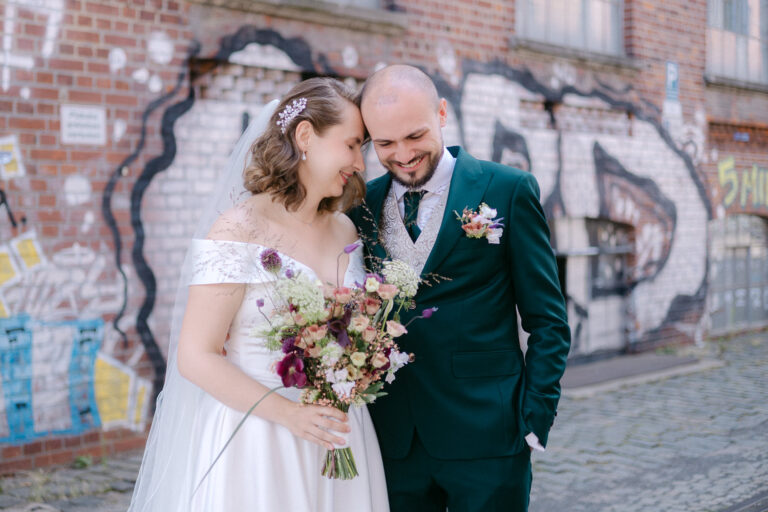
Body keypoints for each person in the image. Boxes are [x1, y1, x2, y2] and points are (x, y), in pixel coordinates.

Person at [129, 78, 389, 512]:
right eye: (351, 145)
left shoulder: (345, 229)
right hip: (260, 439)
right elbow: (197, 355)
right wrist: (290, 415)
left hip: (340, 432)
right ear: (305, 136)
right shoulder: (238, 229)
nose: (359, 163)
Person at [350, 64, 571, 512]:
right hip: (393, 440)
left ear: (442, 113)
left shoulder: (507, 189)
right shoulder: (360, 205)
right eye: (385, 143)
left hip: (488, 433)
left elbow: (548, 319)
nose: (403, 155)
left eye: (415, 136)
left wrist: (535, 417)